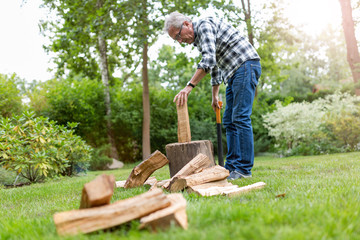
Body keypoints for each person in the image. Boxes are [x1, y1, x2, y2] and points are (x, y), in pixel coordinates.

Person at [164, 12, 261, 180]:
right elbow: (214, 65)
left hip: (245, 65)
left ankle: (244, 169)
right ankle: (231, 168)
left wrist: (189, 86)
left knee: (240, 117)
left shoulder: (204, 26)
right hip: (233, 74)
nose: (180, 41)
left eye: (178, 36)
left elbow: (208, 60)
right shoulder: (200, 40)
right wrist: (214, 95)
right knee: (229, 121)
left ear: (187, 24)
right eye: (176, 40)